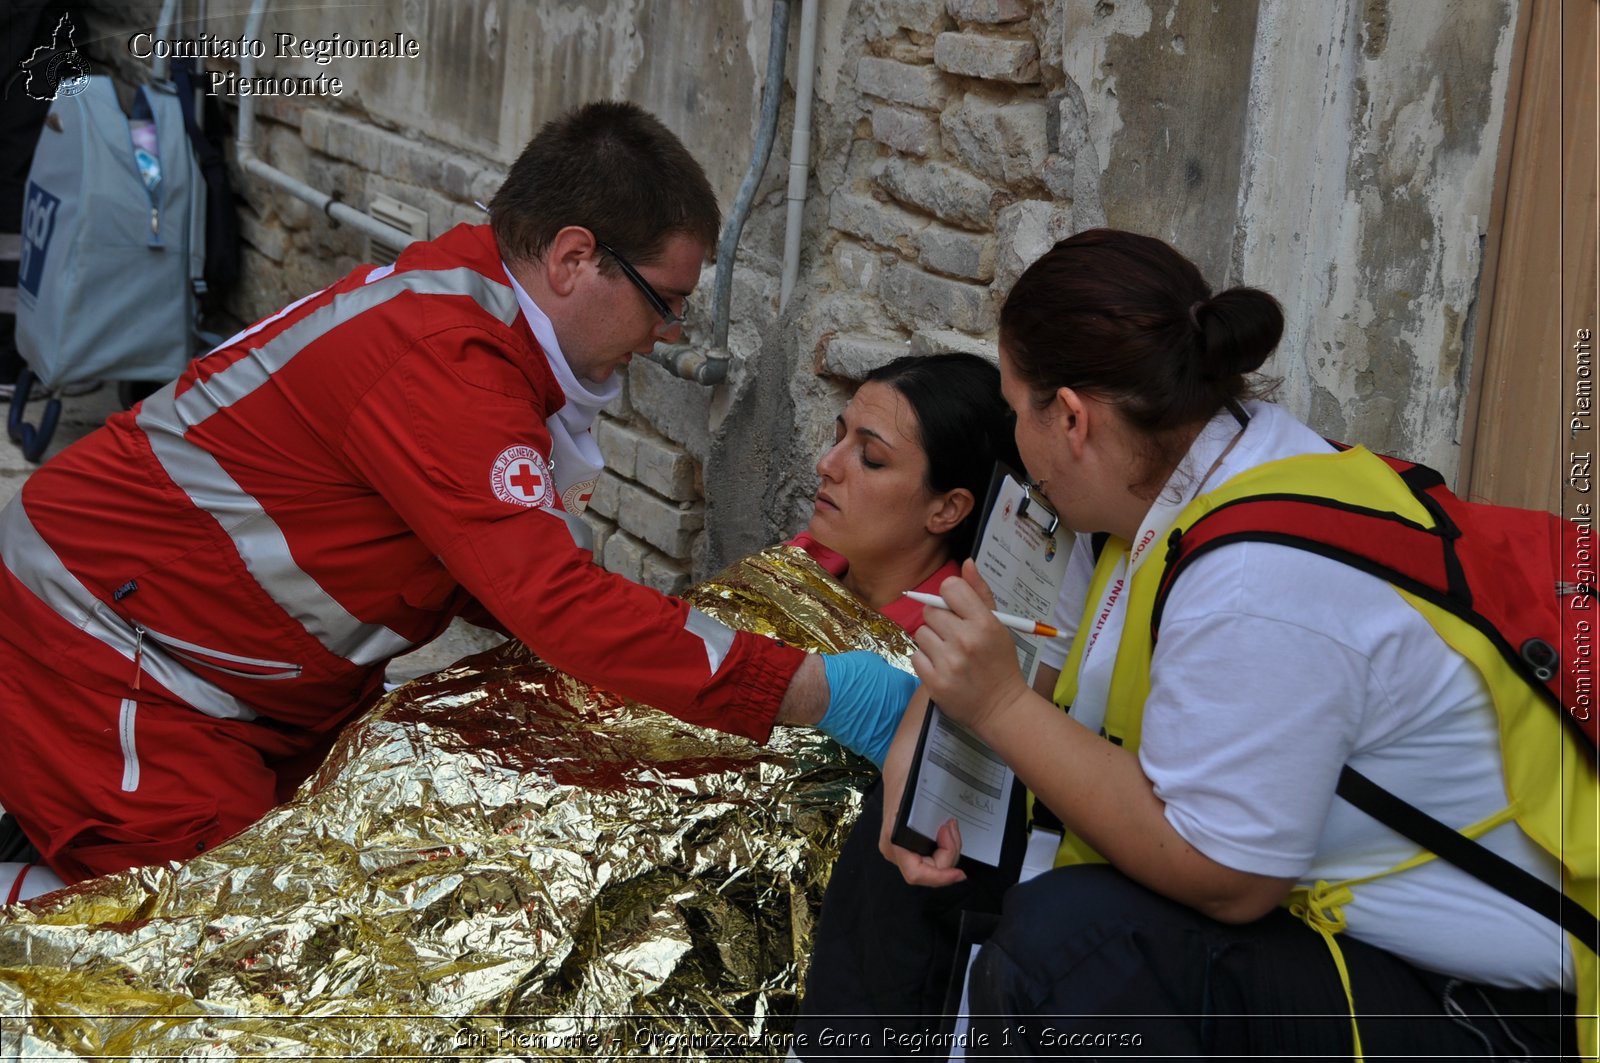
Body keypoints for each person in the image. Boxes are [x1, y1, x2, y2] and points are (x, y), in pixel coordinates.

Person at [0, 100, 916, 901]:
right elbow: (553, 601)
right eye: (662, 301)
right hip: (106, 653)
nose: (665, 334)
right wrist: (813, 690)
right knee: (217, 934)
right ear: (573, 259)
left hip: (198, 657)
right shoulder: (450, 365)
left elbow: (497, 564)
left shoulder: (479, 312)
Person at [797, 229, 1574, 1058]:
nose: (1013, 449)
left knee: (1072, 950)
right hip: (1324, 931)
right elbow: (1011, 640)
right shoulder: (1157, 486)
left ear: (1070, 418)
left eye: (1015, 407)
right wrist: (923, 749)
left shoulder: (1253, 586)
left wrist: (995, 703)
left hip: (1479, 1007)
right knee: (916, 829)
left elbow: (1225, 877)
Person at [789, 352, 1020, 633]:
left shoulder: (941, 648)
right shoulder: (804, 558)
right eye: (838, 438)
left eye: (872, 458)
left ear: (947, 509)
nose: (825, 465)